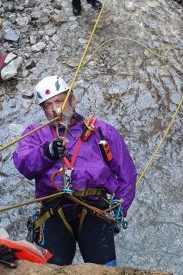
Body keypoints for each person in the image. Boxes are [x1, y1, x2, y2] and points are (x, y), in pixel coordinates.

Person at [13, 75, 137, 266]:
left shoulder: (101, 131)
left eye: (59, 101)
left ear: (73, 100)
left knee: (104, 268)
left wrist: (120, 207)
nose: (55, 109)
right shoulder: (36, 134)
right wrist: (47, 152)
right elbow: (23, 164)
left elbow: (126, 173)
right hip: (55, 211)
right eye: (48, 105)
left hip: (95, 207)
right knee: (53, 268)